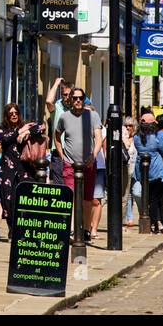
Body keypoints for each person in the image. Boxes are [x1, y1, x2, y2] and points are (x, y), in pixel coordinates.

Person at [54, 86, 103, 242]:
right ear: (71, 100)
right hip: (70, 164)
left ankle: (86, 230)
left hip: (88, 164)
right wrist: (62, 155)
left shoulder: (93, 116)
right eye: (74, 98)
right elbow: (56, 136)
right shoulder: (64, 117)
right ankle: (73, 230)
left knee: (88, 199)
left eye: (80, 98)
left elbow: (98, 138)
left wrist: (93, 156)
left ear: (84, 99)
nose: (77, 101)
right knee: (72, 196)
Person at [0, 102, 41, 234]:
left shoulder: (24, 126)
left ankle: (23, 229)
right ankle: (12, 229)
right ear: (7, 116)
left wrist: (26, 131)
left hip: (24, 169)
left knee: (25, 199)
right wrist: (19, 132)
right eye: (11, 113)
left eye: (16, 113)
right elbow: (5, 139)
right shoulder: (2, 129)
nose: (14, 115)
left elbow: (41, 127)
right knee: (8, 201)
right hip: (7, 170)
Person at [135, 116, 163, 233]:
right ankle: (156, 223)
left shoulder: (136, 137)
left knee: (148, 198)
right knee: (156, 199)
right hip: (156, 171)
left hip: (143, 172)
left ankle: (153, 221)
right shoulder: (156, 137)